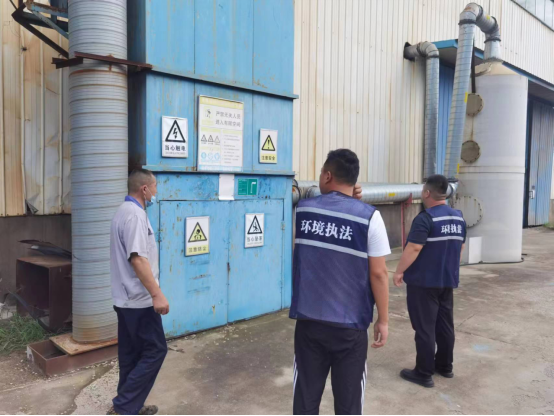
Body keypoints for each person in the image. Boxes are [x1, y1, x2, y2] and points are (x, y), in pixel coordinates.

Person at [290, 149, 391, 415]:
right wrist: (383, 319)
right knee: (348, 403)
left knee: (305, 399)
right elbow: (379, 274)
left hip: (310, 322)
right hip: (350, 327)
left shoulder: (302, 211)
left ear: (327, 175)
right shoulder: (369, 217)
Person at [393, 174, 466, 388]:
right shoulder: (459, 217)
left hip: (424, 283)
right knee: (445, 325)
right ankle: (445, 366)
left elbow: (414, 248)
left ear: (426, 193)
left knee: (425, 328)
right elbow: (460, 247)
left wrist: (399, 271)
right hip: (447, 281)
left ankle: (424, 372)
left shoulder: (426, 218)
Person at [108, 169, 170, 416]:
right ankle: (125, 406)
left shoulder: (123, 212)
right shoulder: (135, 215)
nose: (156, 191)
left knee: (131, 354)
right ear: (144, 189)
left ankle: (128, 405)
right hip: (139, 300)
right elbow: (137, 259)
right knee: (156, 350)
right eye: (154, 187)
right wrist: (156, 294)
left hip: (124, 298)